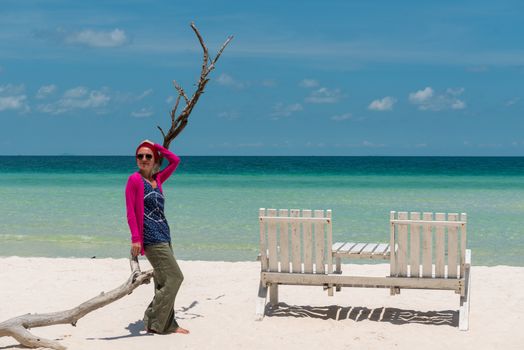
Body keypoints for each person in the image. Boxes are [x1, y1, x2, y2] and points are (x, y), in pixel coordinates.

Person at [125, 139, 189, 335]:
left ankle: (163, 325)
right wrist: (136, 238)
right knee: (176, 277)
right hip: (151, 238)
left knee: (162, 281)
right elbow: (130, 212)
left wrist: (156, 146)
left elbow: (175, 160)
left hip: (165, 234)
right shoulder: (134, 180)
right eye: (140, 156)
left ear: (154, 160)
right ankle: (151, 316)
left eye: (148, 156)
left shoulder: (158, 179)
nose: (144, 159)